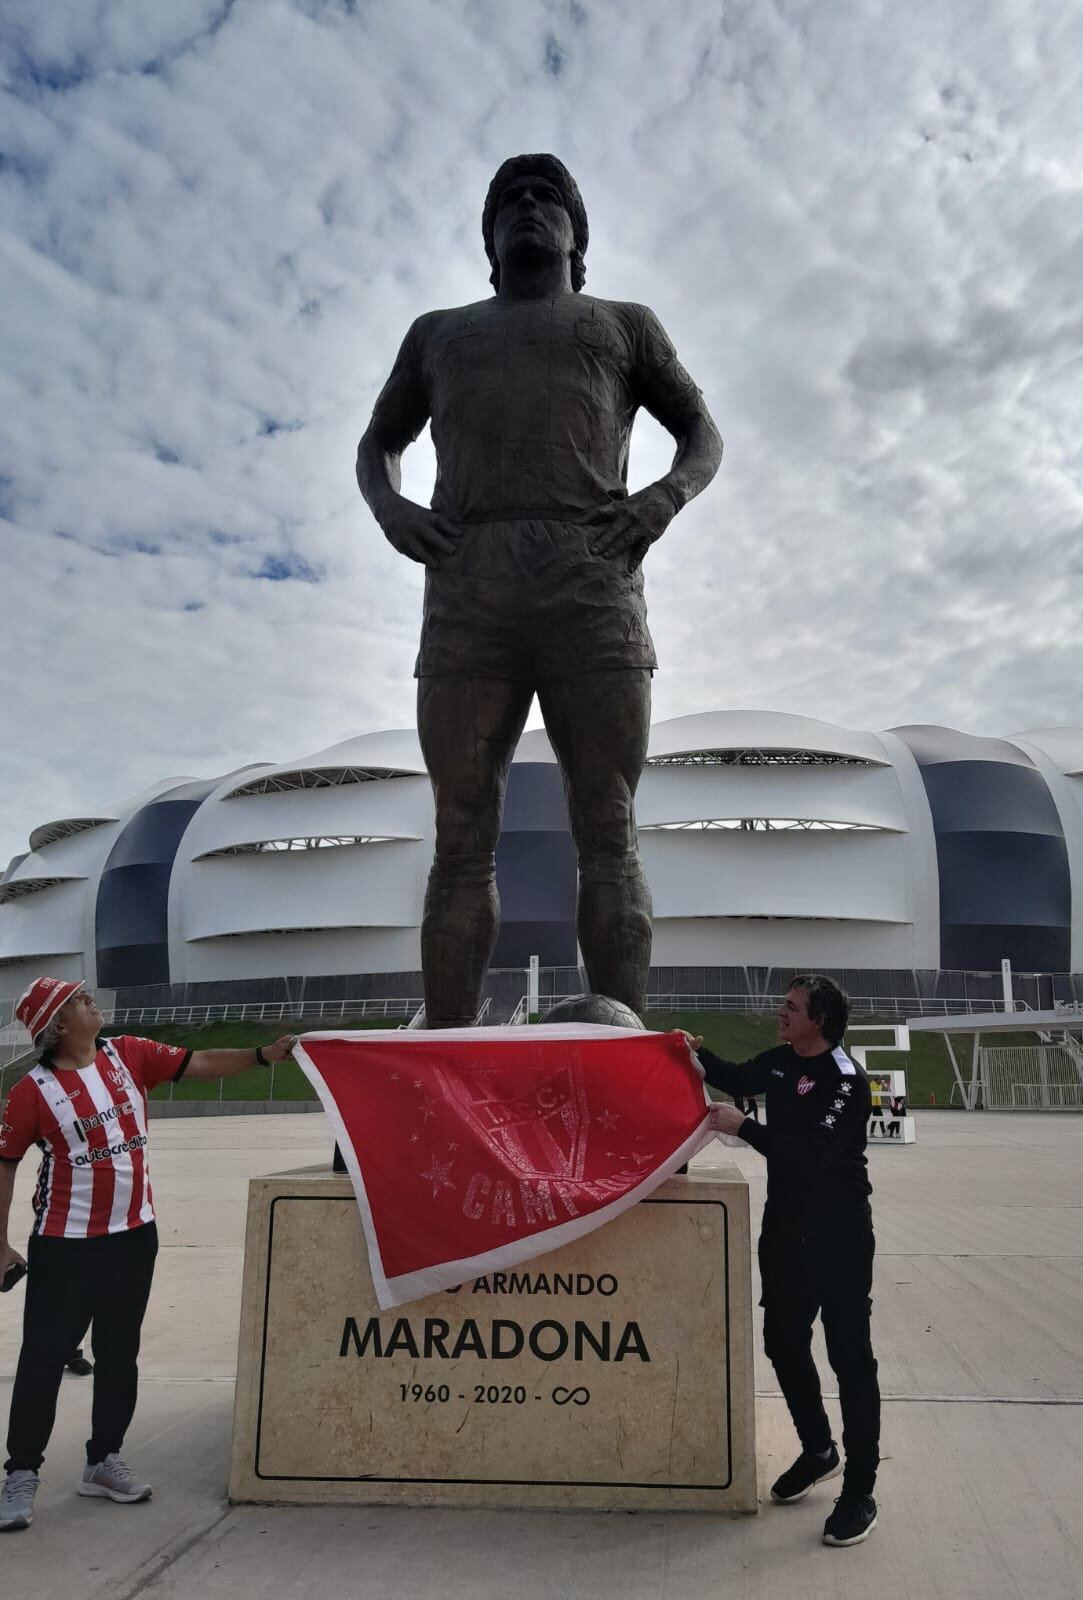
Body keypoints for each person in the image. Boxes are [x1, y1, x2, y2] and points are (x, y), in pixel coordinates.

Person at [356, 153, 723, 1024]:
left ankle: (623, 1053)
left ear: (575, 233)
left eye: (545, 198)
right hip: (467, 582)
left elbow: (701, 433)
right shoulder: (438, 333)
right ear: (489, 236)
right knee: (460, 834)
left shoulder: (624, 325)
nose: (527, 208)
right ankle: (447, 1054)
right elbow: (378, 442)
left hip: (592, 577)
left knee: (608, 824)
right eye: (509, 200)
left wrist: (662, 500)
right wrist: (389, 510)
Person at [0, 977, 296, 1532]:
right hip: (65, 1246)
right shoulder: (32, 1092)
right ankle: (20, 1473)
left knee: (119, 1353)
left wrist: (261, 1054)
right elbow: (5, 1164)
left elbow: (200, 1062)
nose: (92, 1002)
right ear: (58, 1025)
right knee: (44, 1359)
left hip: (135, 1236)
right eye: (78, 1001)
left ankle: (102, 1460)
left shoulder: (129, 1054)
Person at [694, 974, 881, 1547]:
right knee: (782, 1341)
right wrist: (690, 1051)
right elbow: (733, 1076)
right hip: (785, 1231)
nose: (781, 1012)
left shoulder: (848, 1082)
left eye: (792, 1007)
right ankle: (818, 1447)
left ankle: (859, 1489)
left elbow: (812, 1158)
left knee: (849, 1357)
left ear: (818, 1021)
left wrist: (746, 1128)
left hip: (840, 1234)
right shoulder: (779, 1061)